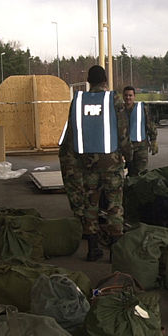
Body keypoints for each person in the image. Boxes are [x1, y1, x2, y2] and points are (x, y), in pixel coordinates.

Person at [66, 65, 131, 261]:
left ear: (88, 81)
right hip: (111, 162)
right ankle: (115, 252)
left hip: (86, 163)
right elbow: (123, 130)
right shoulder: (114, 99)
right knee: (114, 205)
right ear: (104, 81)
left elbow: (71, 132)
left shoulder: (77, 101)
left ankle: (93, 249)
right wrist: (128, 154)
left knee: (90, 205)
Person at [122, 86, 158, 177]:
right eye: (126, 95)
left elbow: (150, 124)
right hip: (124, 147)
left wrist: (153, 140)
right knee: (128, 173)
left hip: (140, 147)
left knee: (141, 174)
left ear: (134, 96)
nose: (128, 97)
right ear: (123, 96)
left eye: (130, 95)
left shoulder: (142, 108)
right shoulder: (118, 110)